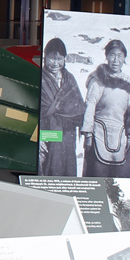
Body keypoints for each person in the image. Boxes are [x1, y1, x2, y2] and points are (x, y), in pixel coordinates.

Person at [80, 40, 130, 177]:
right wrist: (88, 134)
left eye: (120, 56)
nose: (116, 60)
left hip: (121, 136)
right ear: (107, 56)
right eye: (112, 55)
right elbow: (90, 106)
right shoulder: (98, 80)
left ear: (124, 58)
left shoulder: (129, 83)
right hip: (99, 133)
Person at [38, 38, 85, 175]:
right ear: (45, 57)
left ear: (64, 59)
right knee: (51, 163)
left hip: (68, 133)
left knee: (68, 165)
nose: (55, 63)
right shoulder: (39, 77)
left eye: (60, 58)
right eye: (52, 58)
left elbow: (78, 107)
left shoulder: (69, 78)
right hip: (48, 130)